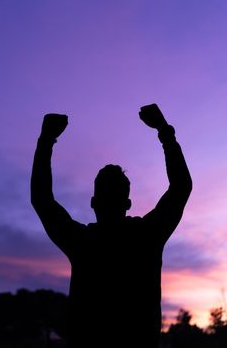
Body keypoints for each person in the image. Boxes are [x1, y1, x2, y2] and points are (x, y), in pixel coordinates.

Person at [31, 104, 192, 347]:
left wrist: (46, 140)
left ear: (93, 202)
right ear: (128, 203)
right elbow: (181, 187)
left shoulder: (81, 241)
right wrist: (164, 131)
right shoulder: (147, 235)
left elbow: (42, 199)